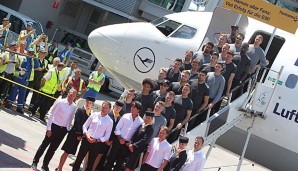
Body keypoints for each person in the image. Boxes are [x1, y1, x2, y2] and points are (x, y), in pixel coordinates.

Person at [31, 89, 77, 171]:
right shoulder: (60, 102)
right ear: (68, 94)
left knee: (53, 149)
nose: (71, 97)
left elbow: (70, 119)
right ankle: (35, 162)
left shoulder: (73, 106)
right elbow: (51, 114)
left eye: (73, 96)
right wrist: (48, 128)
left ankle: (45, 165)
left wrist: (68, 129)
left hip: (63, 130)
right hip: (54, 127)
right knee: (44, 145)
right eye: (70, 94)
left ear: (75, 97)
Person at [56, 96, 95, 171]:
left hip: (81, 136)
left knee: (73, 152)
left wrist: (83, 135)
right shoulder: (80, 110)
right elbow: (77, 123)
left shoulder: (90, 113)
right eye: (87, 102)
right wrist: (79, 134)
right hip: (74, 134)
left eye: (90, 103)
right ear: (85, 101)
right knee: (66, 151)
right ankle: (59, 168)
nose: (88, 104)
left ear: (92, 104)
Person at [72, 101, 113, 171]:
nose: (104, 109)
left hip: (96, 144)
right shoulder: (94, 114)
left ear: (109, 109)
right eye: (103, 107)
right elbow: (85, 126)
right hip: (86, 140)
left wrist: (97, 140)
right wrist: (87, 135)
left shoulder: (109, 121)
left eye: (106, 108)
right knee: (79, 159)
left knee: (91, 163)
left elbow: (107, 136)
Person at [104, 101, 144, 171]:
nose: (132, 108)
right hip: (118, 141)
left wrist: (130, 143)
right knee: (110, 159)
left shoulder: (140, 122)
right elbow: (117, 128)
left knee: (120, 163)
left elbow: (138, 134)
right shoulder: (125, 116)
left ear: (138, 110)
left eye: (134, 107)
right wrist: (120, 138)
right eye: (132, 106)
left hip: (127, 145)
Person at [6, 48, 40, 114]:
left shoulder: (33, 60)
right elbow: (16, 66)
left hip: (25, 80)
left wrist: (35, 58)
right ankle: (9, 104)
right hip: (18, 77)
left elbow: (37, 66)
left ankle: (19, 107)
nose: (31, 54)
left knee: (22, 94)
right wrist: (21, 69)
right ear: (27, 52)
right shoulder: (21, 57)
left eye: (32, 53)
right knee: (14, 91)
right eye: (30, 52)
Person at [94, 100, 124, 171]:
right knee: (96, 155)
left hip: (109, 141)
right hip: (102, 138)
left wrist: (111, 140)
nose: (118, 109)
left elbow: (116, 130)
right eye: (117, 107)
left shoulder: (120, 118)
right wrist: (105, 138)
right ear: (114, 106)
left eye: (119, 108)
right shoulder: (109, 114)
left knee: (104, 156)